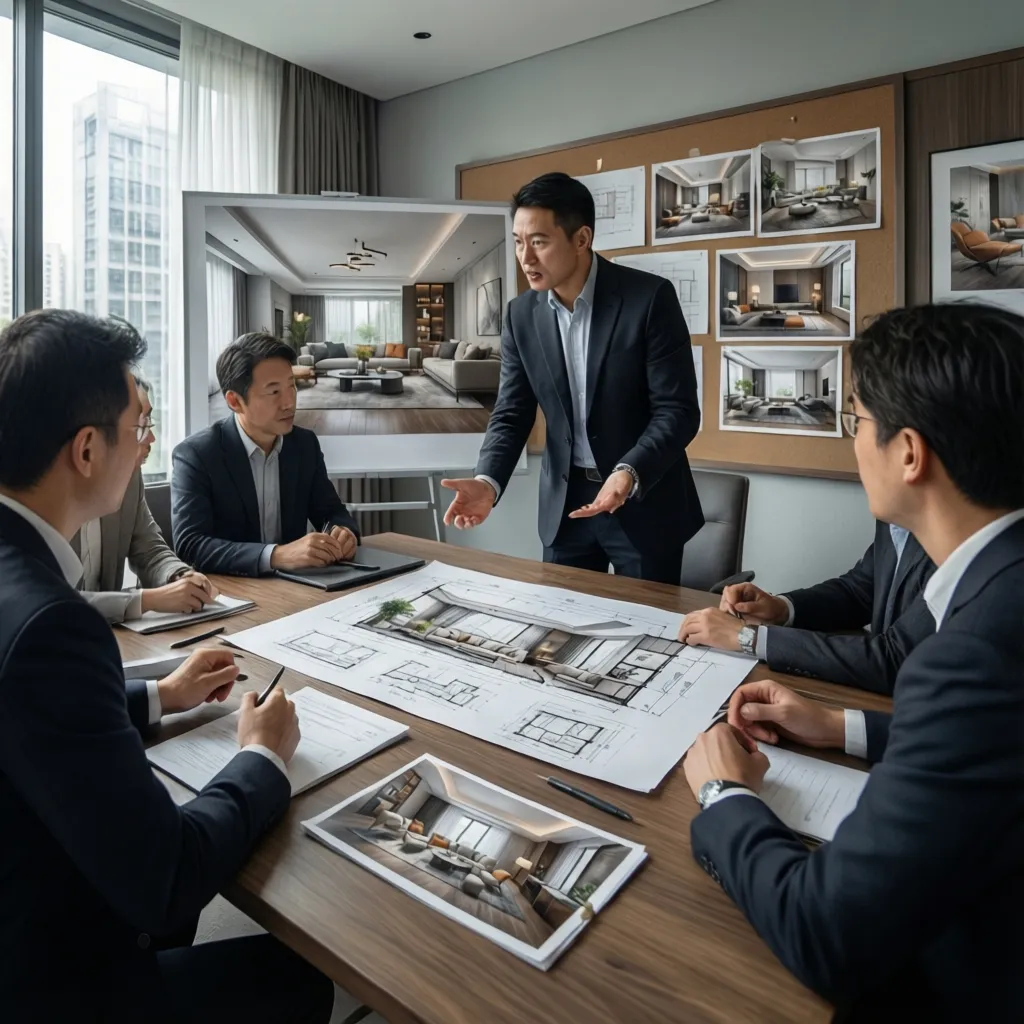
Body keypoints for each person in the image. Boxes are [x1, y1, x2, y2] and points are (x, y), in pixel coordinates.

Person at [682, 303, 1024, 1021]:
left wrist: (723, 796)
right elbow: (996, 741)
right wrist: (844, 729)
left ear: (910, 452)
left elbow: (827, 934)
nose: (852, 442)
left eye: (858, 421)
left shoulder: (972, 653)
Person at [0, 310, 333, 1021]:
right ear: (87, 449)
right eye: (136, 429)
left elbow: (26, 708)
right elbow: (167, 876)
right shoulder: (54, 624)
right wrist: (262, 758)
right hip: (43, 974)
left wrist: (158, 696)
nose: (145, 444)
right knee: (298, 978)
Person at [440, 172, 703, 584]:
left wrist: (628, 473)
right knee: (561, 635)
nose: (525, 258)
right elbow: (511, 412)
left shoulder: (649, 299)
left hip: (642, 501)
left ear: (581, 239)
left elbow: (678, 411)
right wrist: (487, 480)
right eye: (518, 241)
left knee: (648, 638)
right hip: (565, 507)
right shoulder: (521, 315)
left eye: (539, 242)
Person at [172, 332, 359, 577]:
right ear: (234, 401)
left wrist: (344, 532)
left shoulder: (304, 445)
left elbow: (332, 511)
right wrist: (277, 555)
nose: (289, 403)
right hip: (231, 593)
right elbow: (191, 545)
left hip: (298, 588)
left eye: (291, 386)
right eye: (273, 392)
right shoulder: (197, 455)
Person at [677, 520, 935, 692]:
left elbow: (896, 659)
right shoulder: (894, 521)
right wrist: (782, 608)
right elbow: (858, 591)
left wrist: (747, 637)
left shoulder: (955, 542)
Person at [74, 372, 218, 623]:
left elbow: (149, 548)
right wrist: (146, 600)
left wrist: (179, 576)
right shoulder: (42, 493)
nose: (150, 438)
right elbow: (46, 601)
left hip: (106, 639)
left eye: (148, 421)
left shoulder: (129, 478)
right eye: (139, 425)